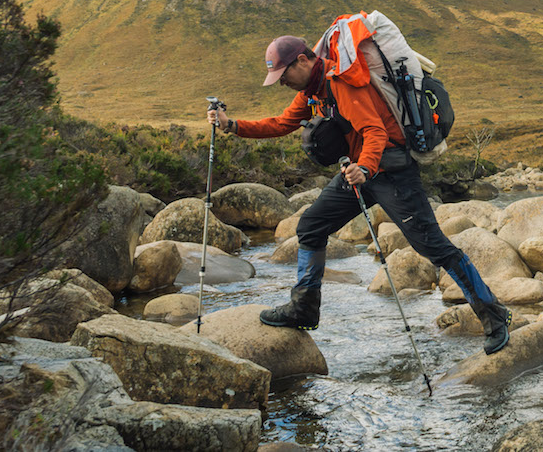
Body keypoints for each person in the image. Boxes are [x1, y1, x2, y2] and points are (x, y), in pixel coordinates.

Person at [207, 34, 512, 354]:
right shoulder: (312, 91)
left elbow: (375, 131)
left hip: (392, 174)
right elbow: (282, 123)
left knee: (435, 247)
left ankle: (494, 316)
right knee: (311, 225)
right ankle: (304, 309)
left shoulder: (342, 83)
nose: (282, 82)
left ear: (302, 61)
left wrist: (364, 168)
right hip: (358, 174)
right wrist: (231, 125)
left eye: (284, 75)